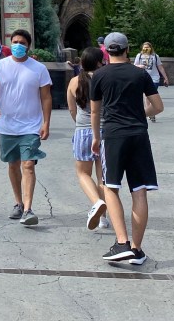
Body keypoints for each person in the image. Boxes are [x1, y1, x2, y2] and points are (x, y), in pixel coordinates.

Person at [90, 31, 164, 265]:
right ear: (127, 49)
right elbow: (158, 106)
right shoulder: (140, 74)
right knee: (139, 190)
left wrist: (95, 137)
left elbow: (95, 111)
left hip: (113, 135)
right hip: (138, 135)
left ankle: (122, 242)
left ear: (106, 51)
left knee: (111, 187)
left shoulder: (99, 75)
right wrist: (140, 114)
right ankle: (137, 249)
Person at [0, 29, 51, 227]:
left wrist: (46, 123)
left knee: (28, 165)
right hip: (7, 125)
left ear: (28, 46)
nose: (17, 45)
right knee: (13, 164)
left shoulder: (39, 69)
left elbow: (46, 97)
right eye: (14, 42)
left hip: (30, 126)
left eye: (22, 42)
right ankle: (19, 203)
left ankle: (29, 209)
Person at [67, 46, 109, 231]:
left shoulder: (74, 81)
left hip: (83, 131)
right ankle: (103, 219)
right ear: (100, 62)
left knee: (83, 173)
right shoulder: (106, 79)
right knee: (102, 177)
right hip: (106, 131)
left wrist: (79, 123)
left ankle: (96, 202)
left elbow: (72, 109)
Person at [133, 42, 169, 122]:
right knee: (146, 96)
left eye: (147, 47)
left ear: (151, 48)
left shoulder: (155, 56)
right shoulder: (139, 56)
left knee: (151, 95)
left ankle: (150, 112)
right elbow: (135, 66)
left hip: (154, 78)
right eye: (144, 47)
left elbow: (160, 67)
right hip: (143, 77)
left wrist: (165, 78)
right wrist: (140, 66)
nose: (146, 49)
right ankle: (150, 113)